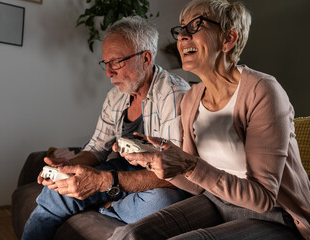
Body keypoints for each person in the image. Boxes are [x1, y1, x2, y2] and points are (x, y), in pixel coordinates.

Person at [110, 0, 310, 239]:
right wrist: (161, 163)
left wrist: (190, 165)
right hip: (216, 202)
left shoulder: (262, 90)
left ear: (228, 39)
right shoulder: (192, 98)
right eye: (181, 29)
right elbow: (196, 185)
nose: (182, 36)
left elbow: (263, 198)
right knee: (129, 234)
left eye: (195, 26)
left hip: (275, 216)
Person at [21, 16, 191, 240]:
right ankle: (105, 198)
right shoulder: (116, 96)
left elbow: (175, 173)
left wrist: (105, 182)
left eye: (116, 62)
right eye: (106, 63)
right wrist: (68, 166)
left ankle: (107, 205)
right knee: (55, 191)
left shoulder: (174, 95)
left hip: (159, 179)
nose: (108, 73)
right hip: (122, 172)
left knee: (161, 203)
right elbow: (97, 148)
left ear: (146, 58)